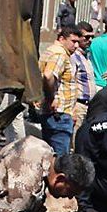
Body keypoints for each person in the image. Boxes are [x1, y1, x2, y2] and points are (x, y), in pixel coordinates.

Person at [37, 25, 81, 155]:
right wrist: (52, 98)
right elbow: (48, 75)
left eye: (78, 42)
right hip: (59, 114)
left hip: (56, 114)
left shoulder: (51, 51)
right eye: (73, 41)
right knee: (61, 160)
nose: (77, 46)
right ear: (62, 38)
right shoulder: (59, 54)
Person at [71, 22, 96, 134]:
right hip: (78, 106)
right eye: (86, 37)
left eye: (92, 37)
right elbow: (71, 82)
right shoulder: (74, 57)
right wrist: (72, 110)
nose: (90, 40)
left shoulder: (87, 57)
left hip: (89, 106)